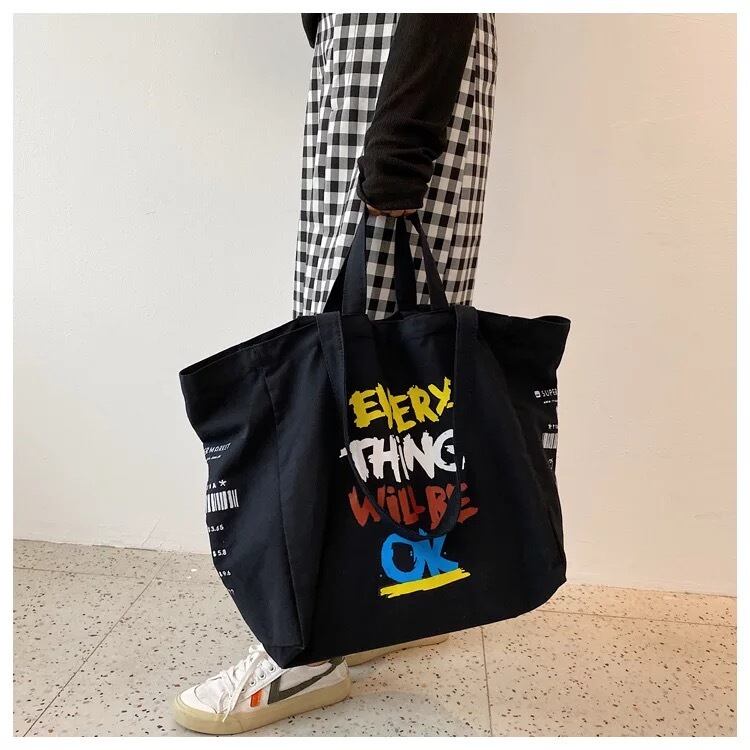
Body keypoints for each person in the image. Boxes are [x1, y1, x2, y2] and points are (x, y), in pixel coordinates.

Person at [172, 12, 497, 735]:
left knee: (345, 383)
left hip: (397, 84)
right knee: (392, 389)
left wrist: (400, 148)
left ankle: (307, 652)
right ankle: (391, 594)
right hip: (375, 83)